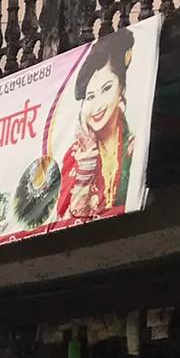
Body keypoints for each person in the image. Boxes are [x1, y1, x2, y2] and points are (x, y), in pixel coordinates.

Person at [59, 28, 137, 221]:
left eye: (107, 88)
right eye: (90, 96)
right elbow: (66, 220)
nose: (97, 105)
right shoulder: (76, 156)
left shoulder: (135, 145)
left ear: (122, 87)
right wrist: (87, 162)